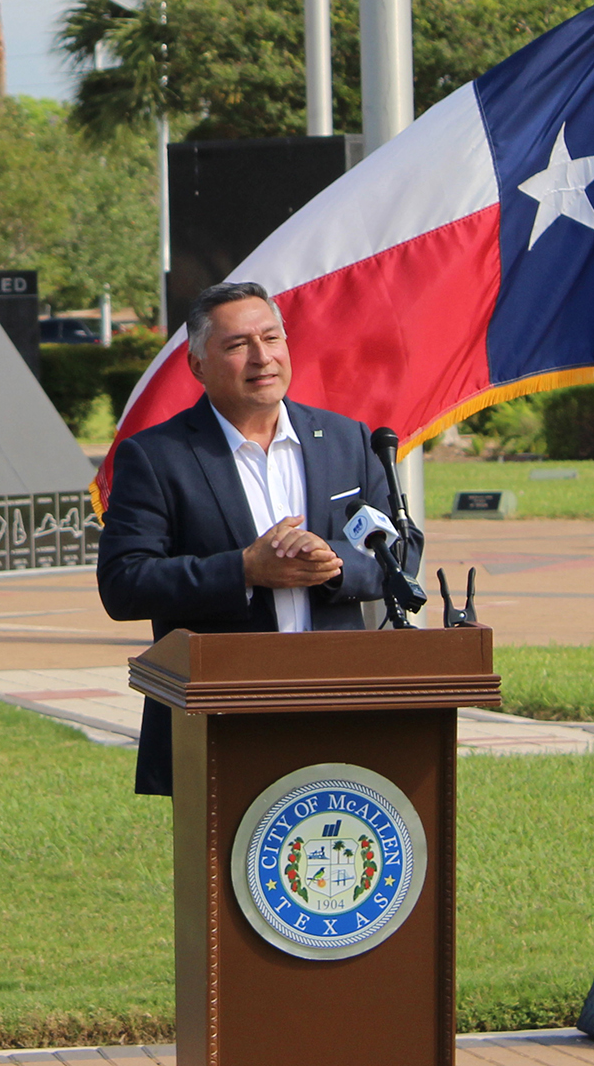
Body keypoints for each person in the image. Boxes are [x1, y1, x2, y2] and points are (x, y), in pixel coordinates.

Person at [96, 281, 405, 795]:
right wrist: (243, 569)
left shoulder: (347, 439)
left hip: (338, 707)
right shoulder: (156, 456)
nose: (262, 358)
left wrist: (335, 566)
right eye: (238, 345)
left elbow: (398, 553)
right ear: (197, 365)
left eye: (272, 338)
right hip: (221, 715)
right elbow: (124, 583)